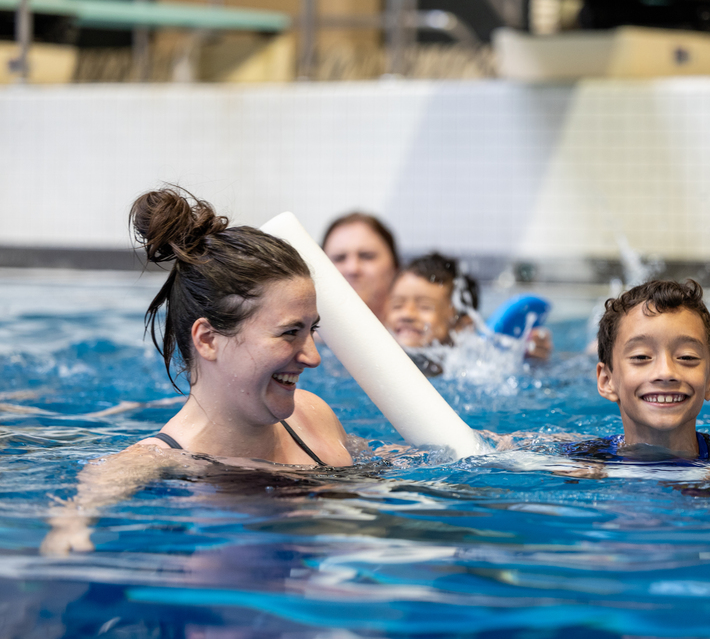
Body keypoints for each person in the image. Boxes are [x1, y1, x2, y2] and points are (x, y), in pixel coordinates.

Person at [42, 188, 352, 555]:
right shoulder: (158, 461)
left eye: (311, 329)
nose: (313, 357)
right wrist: (70, 529)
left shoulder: (312, 414)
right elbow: (85, 502)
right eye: (289, 333)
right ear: (207, 339)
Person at [583, 278, 710, 462]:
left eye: (686, 357)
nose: (665, 373)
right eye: (641, 357)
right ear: (606, 381)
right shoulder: (580, 466)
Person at [384, 252, 553, 360]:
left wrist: (529, 360)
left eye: (424, 307)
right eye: (397, 306)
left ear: (462, 325)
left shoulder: (472, 369)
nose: (407, 314)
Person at [322, 212, 399, 320]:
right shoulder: (305, 335)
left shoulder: (423, 332)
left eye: (367, 256)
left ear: (395, 267)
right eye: (339, 258)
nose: (352, 269)